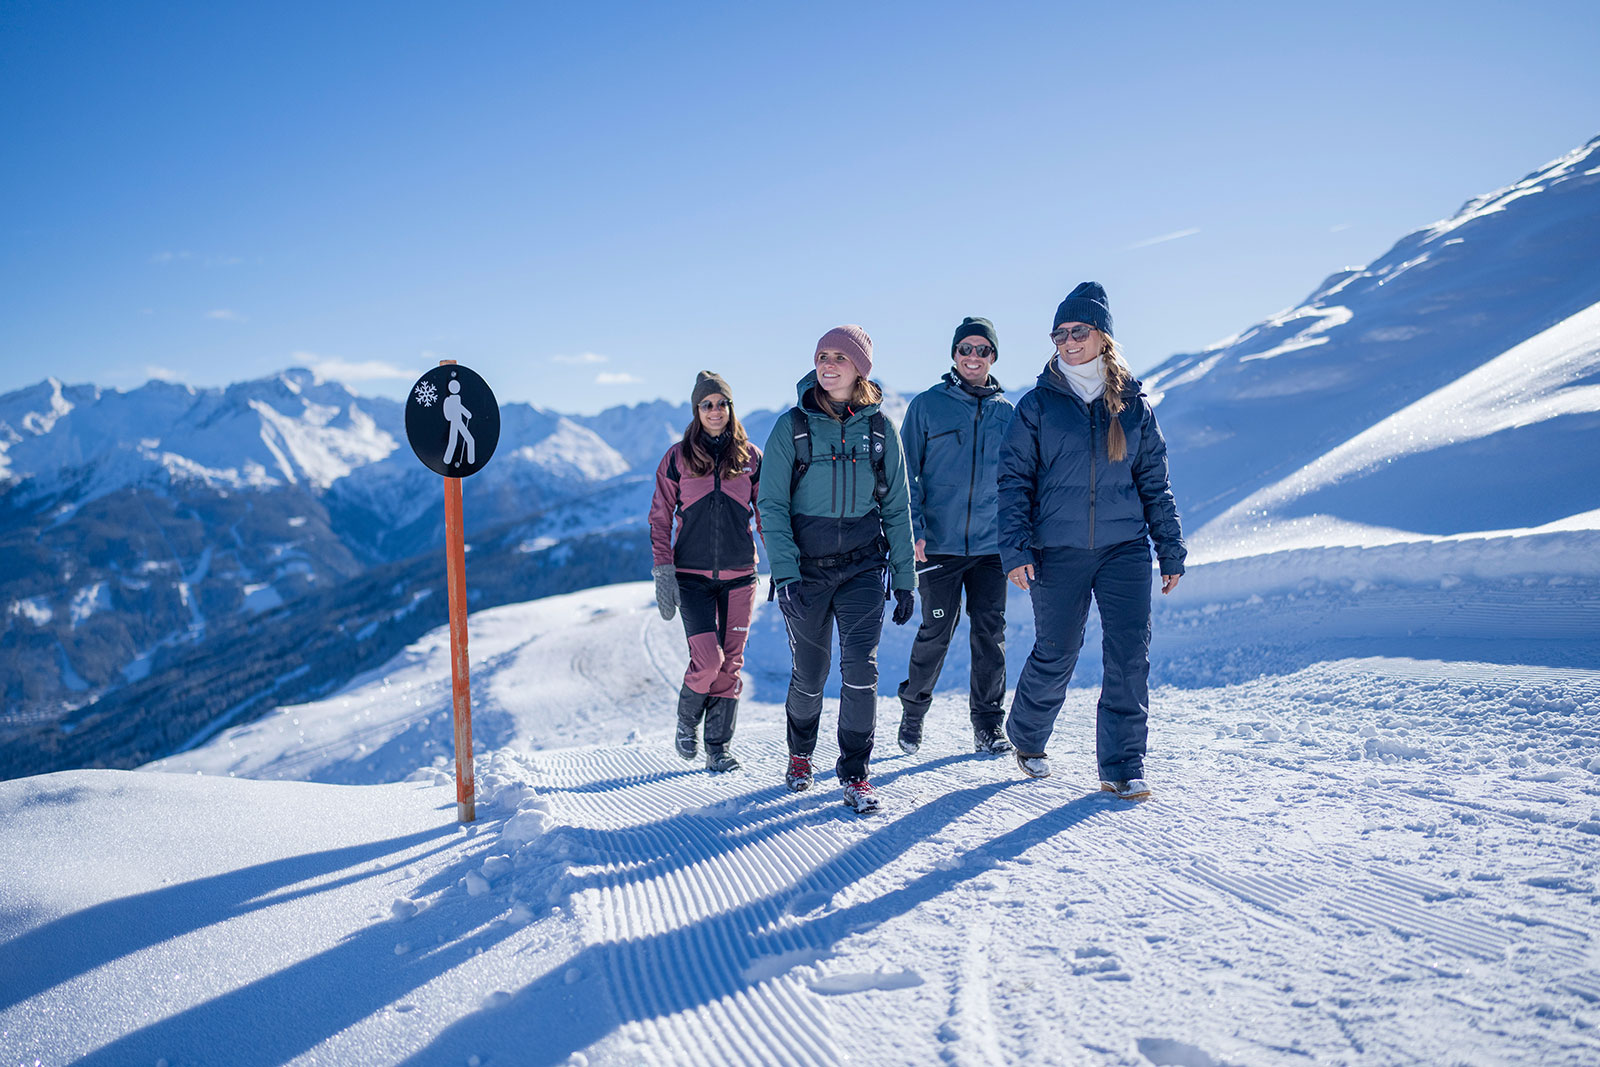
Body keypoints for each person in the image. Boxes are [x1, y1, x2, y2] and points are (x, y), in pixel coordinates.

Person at [997, 282, 1185, 800]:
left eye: (1079, 330)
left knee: (1129, 655)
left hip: (1125, 548)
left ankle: (1123, 766)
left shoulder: (1133, 406)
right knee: (1057, 651)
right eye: (1060, 333)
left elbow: (1155, 484)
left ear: (1102, 335)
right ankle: (1027, 736)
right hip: (1055, 550)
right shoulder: (1036, 406)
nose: (1068, 341)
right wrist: (1015, 550)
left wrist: (1169, 549)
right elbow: (1014, 483)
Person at [758, 325, 917, 814]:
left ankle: (855, 772)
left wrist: (906, 578)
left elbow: (898, 507)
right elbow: (771, 505)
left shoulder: (879, 428)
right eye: (822, 356)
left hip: (864, 569)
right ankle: (801, 753)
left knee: (860, 671)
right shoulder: (793, 427)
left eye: (840, 358)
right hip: (806, 573)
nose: (828, 365)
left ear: (860, 368)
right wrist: (784, 574)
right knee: (810, 674)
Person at [896, 316, 1016, 756]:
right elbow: (906, 475)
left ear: (993, 357)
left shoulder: (1008, 412)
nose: (973, 356)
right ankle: (913, 710)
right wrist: (916, 531)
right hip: (938, 544)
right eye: (965, 348)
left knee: (990, 633)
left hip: (991, 548)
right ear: (954, 354)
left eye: (982, 349)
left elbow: (1019, 479)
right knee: (937, 629)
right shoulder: (927, 406)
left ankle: (987, 724)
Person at [649, 370, 762, 773]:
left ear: (731, 408)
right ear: (697, 411)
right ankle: (686, 721)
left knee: (730, 664)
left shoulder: (751, 457)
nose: (715, 411)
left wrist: (784, 567)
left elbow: (768, 517)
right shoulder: (678, 458)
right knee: (708, 661)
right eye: (707, 404)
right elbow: (660, 517)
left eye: (721, 403)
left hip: (740, 578)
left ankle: (718, 748)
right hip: (692, 578)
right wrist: (663, 569)